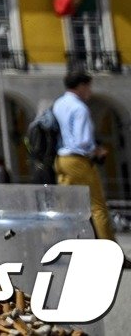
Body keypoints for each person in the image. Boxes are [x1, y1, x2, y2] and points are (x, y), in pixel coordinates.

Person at [53, 70, 115, 240]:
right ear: (81, 86)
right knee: (97, 206)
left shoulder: (59, 104)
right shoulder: (79, 108)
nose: (90, 91)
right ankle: (112, 251)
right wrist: (97, 150)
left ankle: (62, 242)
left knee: (67, 206)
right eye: (88, 87)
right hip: (78, 160)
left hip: (61, 160)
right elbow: (83, 141)